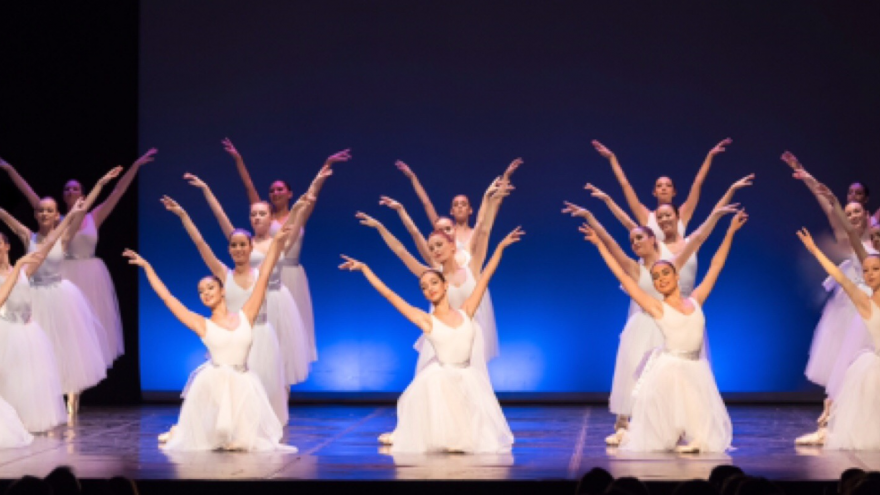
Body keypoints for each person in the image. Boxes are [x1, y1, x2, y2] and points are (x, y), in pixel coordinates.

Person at [562, 201, 738, 442]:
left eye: (639, 238)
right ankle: (630, 425)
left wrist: (720, 220)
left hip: (675, 322)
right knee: (641, 377)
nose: (635, 244)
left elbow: (702, 245)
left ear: (653, 239)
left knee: (679, 382)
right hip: (647, 323)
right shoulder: (637, 271)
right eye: (632, 241)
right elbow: (615, 255)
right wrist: (594, 226)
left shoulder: (672, 265)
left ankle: (678, 426)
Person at [338, 226, 524, 453]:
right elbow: (390, 295)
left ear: (445, 285)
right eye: (424, 287)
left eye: (434, 283)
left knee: (477, 437)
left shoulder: (467, 311)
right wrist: (366, 269)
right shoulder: (426, 320)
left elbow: (486, 276)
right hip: (440, 379)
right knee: (446, 437)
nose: (429, 289)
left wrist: (501, 248)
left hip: (468, 377)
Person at [125, 223, 298, 452]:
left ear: (223, 290)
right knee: (216, 438)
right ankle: (183, 430)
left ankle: (184, 430)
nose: (205, 293)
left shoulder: (247, 315)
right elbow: (168, 298)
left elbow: (264, 274)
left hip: (244, 382)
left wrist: (276, 243)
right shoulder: (202, 324)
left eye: (210, 288)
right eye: (201, 292)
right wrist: (147, 268)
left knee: (246, 443)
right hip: (214, 385)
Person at [160, 194, 312, 424]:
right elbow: (200, 243)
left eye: (243, 245)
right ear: (229, 250)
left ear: (251, 248)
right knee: (229, 390)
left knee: (264, 389)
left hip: (260, 335)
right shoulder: (224, 274)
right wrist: (183, 215)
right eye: (234, 245)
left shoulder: (262, 274)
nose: (239, 249)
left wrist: (297, 210)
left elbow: (280, 245)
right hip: (232, 340)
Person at [1, 150, 157, 363]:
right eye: (67, 188)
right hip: (62, 274)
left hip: (90, 276)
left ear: (82, 194)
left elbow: (118, 191)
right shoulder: (57, 221)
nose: (70, 190)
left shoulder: (92, 217)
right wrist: (9, 169)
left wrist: (135, 166)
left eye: (75, 188)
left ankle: (77, 386)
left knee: (85, 332)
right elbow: (29, 193)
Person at [182, 167, 331, 385]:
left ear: (271, 218)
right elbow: (220, 217)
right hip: (250, 300)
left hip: (277, 301)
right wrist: (206, 190)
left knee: (280, 355)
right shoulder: (245, 243)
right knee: (247, 353)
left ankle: (278, 406)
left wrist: (312, 187)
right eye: (254, 214)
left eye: (263, 213)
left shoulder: (279, 243)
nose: (258, 217)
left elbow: (299, 216)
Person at [0, 169, 120, 415]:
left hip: (60, 296)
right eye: (40, 210)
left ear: (56, 215)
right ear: (35, 214)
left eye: (49, 211)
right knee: (40, 350)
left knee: (68, 347)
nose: (44, 213)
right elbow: (5, 216)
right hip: (33, 297)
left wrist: (99, 183)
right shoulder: (28, 236)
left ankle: (72, 398)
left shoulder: (62, 237)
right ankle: (43, 399)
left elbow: (79, 213)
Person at [225, 139, 352, 362]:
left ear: (290, 193)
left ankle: (283, 385)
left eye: (279, 189)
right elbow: (249, 188)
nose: (274, 192)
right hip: (267, 275)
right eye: (271, 190)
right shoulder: (265, 215)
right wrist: (238, 160)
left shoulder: (298, 214)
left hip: (292, 275)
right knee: (264, 327)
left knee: (290, 332)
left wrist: (327, 164)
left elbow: (314, 192)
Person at [780, 152, 877, 442]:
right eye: (848, 210)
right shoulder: (844, 232)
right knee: (844, 361)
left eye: (858, 208)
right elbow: (826, 201)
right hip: (848, 303)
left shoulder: (875, 234)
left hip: (872, 306)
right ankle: (833, 415)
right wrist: (803, 172)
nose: (852, 216)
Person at [797, 227, 880, 450]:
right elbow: (839, 276)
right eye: (866, 271)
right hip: (874, 367)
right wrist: (815, 250)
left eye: (876, 269)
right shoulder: (864, 302)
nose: (870, 274)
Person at [590, 138, 732, 242]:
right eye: (659, 185)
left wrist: (710, 156)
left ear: (674, 192)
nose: (664, 188)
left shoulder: (682, 214)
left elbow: (698, 183)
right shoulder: (646, 216)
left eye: (668, 185)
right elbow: (625, 184)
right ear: (654, 192)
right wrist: (612, 159)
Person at [0, 233, 67, 432]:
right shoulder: (19, 269)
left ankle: (28, 421)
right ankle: (11, 424)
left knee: (31, 380)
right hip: (7, 331)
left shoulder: (22, 270)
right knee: (10, 379)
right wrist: (19, 266)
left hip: (28, 331)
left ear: (6, 246)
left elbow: (47, 246)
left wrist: (70, 216)